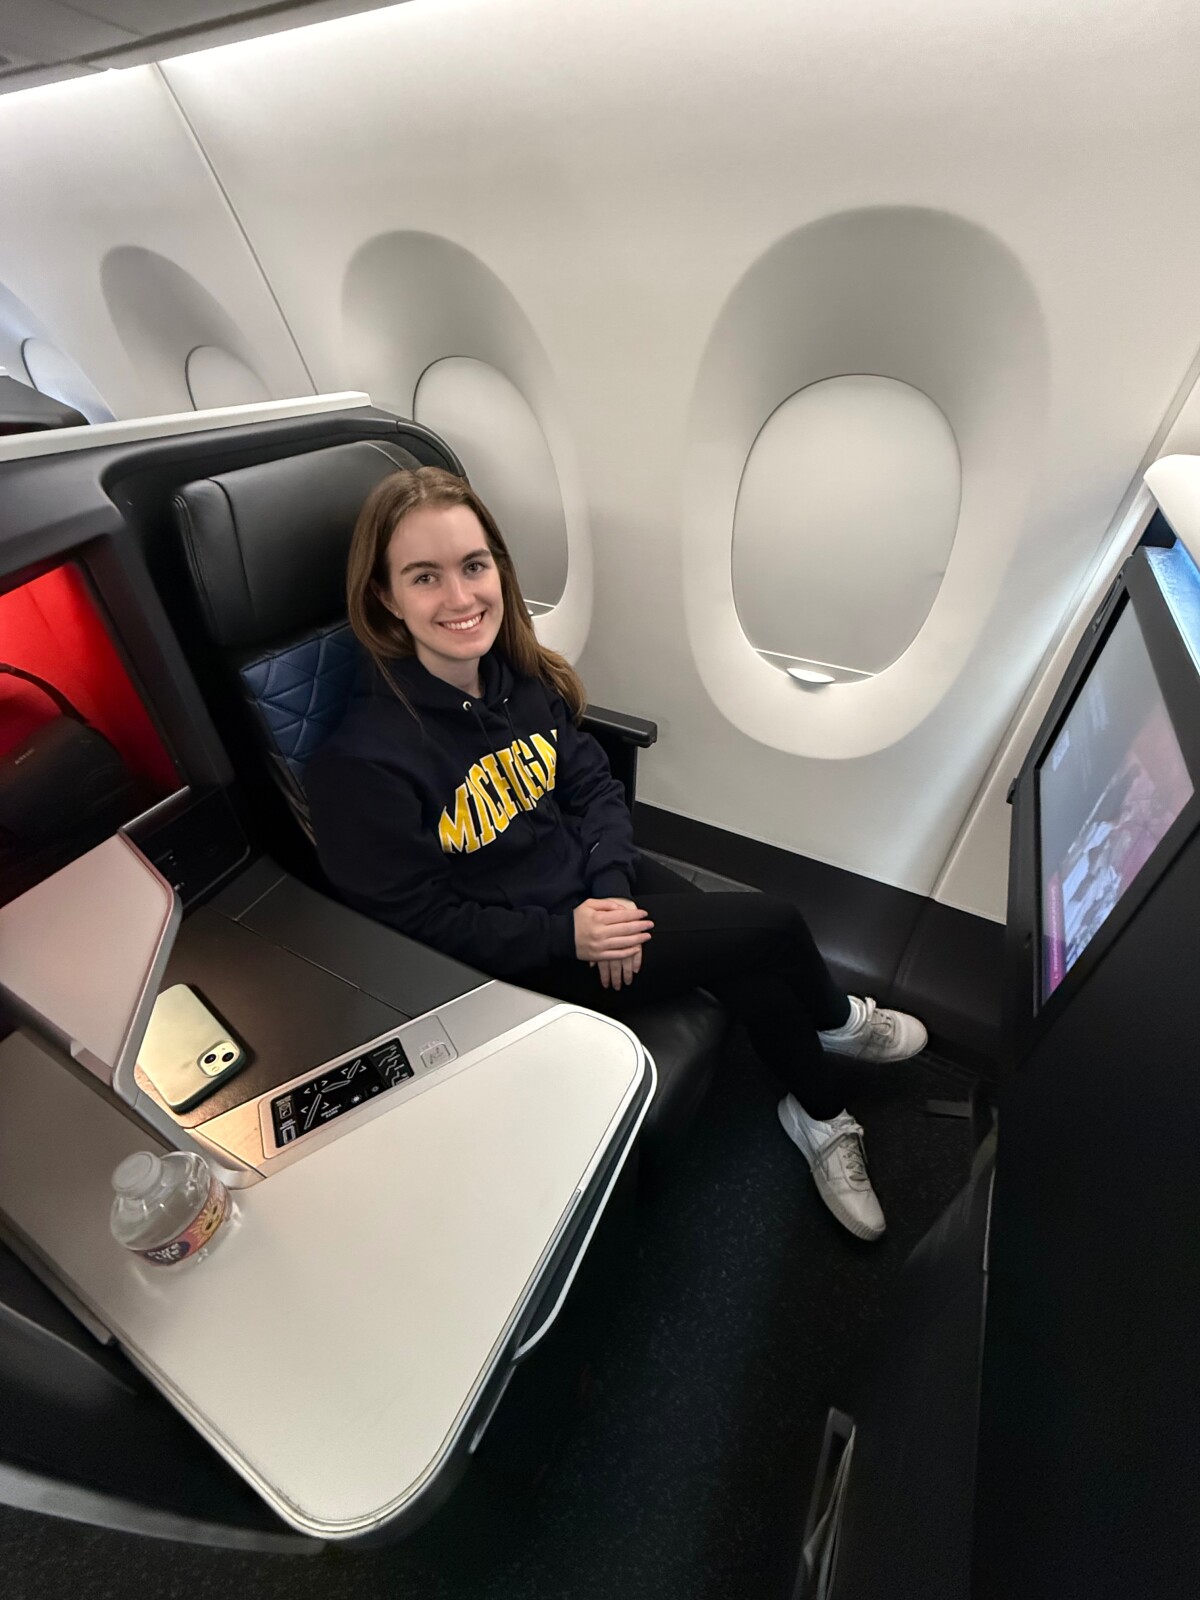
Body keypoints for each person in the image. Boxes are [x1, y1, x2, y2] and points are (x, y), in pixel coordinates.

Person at [305, 468, 928, 1241]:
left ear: (499, 569)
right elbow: (418, 923)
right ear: (385, 597)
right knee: (773, 926)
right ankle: (834, 1035)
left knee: (750, 956)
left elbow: (593, 784)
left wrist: (609, 890)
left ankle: (820, 1110)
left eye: (473, 566)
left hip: (594, 890)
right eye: (424, 576)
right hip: (527, 952)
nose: (461, 597)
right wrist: (569, 935)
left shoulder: (514, 680)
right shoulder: (362, 763)